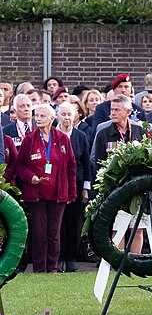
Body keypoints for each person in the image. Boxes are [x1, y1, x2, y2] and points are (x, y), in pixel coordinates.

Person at [14, 104, 76, 273]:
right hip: (36, 194)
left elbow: (71, 167)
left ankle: (53, 267)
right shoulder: (29, 139)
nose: (38, 119)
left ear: (51, 118)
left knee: (54, 233)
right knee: (39, 232)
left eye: (42, 116)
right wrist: (31, 177)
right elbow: (19, 165)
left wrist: (71, 193)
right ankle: (40, 268)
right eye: (37, 116)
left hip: (58, 193)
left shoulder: (63, 139)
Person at [93, 94, 145, 253]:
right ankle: (119, 262)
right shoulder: (104, 133)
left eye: (117, 110)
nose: (112, 113)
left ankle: (135, 262)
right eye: (111, 110)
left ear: (128, 111)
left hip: (137, 188)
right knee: (118, 228)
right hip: (115, 188)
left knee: (138, 228)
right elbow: (97, 161)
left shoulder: (139, 131)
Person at [57, 102, 91, 272]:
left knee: (73, 222)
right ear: (57, 116)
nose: (66, 118)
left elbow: (86, 163)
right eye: (63, 114)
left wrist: (86, 187)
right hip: (54, 183)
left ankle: (71, 258)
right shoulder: (52, 135)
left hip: (75, 184)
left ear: (75, 116)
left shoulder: (80, 136)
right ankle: (57, 257)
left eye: (69, 114)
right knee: (57, 222)